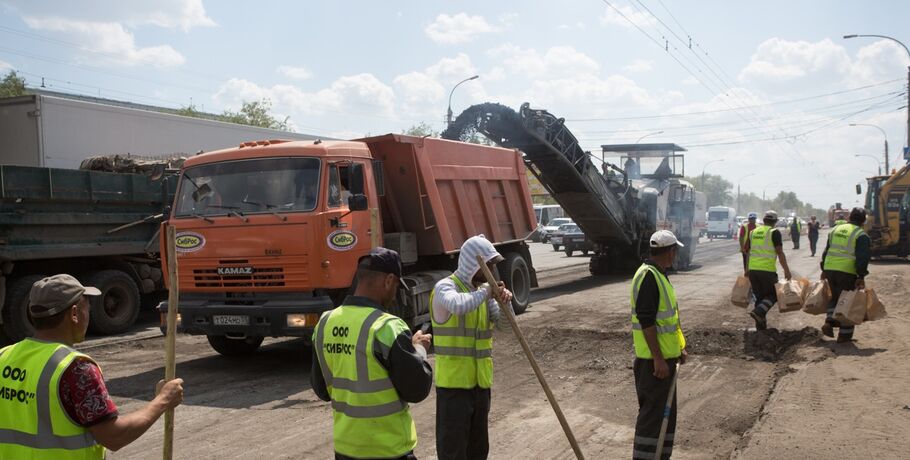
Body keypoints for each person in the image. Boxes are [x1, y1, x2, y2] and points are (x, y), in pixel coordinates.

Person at [0, 274, 185, 459]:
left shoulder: (4, 356)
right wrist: (163, 400)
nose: (88, 316)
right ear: (74, 314)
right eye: (87, 309)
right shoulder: (75, 369)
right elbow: (114, 436)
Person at [311, 248, 433, 460]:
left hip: (346, 449)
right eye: (396, 286)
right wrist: (419, 350)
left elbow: (322, 390)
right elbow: (417, 389)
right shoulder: (387, 327)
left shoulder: (325, 323)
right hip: (389, 449)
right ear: (388, 281)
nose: (395, 293)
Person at [430, 235, 513, 460]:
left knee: (478, 452)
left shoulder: (483, 294)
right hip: (454, 389)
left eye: (494, 266)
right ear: (473, 264)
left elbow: (507, 327)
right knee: (453, 452)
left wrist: (506, 303)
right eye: (489, 266)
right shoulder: (445, 287)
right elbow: (457, 306)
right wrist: (486, 292)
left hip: (480, 387)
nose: (492, 273)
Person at [630, 230, 688, 460]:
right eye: (675, 251)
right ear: (671, 251)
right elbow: (647, 321)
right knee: (653, 418)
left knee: (664, 418)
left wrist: (679, 348)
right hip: (653, 365)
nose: (675, 256)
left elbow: (670, 321)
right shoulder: (649, 276)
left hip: (664, 360)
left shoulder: (658, 274)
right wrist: (658, 358)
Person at [820, 208, 871, 343]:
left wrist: (823, 268)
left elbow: (826, 251)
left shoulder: (835, 230)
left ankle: (829, 322)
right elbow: (862, 258)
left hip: (830, 268)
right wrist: (861, 276)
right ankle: (844, 336)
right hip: (846, 271)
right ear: (864, 220)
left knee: (835, 297)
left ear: (849, 218)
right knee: (848, 301)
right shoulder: (861, 235)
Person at [745, 210, 793, 330]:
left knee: (760, 298)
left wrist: (746, 269)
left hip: (753, 270)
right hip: (767, 270)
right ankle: (759, 312)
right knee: (774, 294)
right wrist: (786, 270)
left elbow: (748, 253)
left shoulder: (753, 232)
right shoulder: (774, 232)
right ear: (775, 222)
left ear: (764, 220)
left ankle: (760, 328)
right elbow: (779, 252)